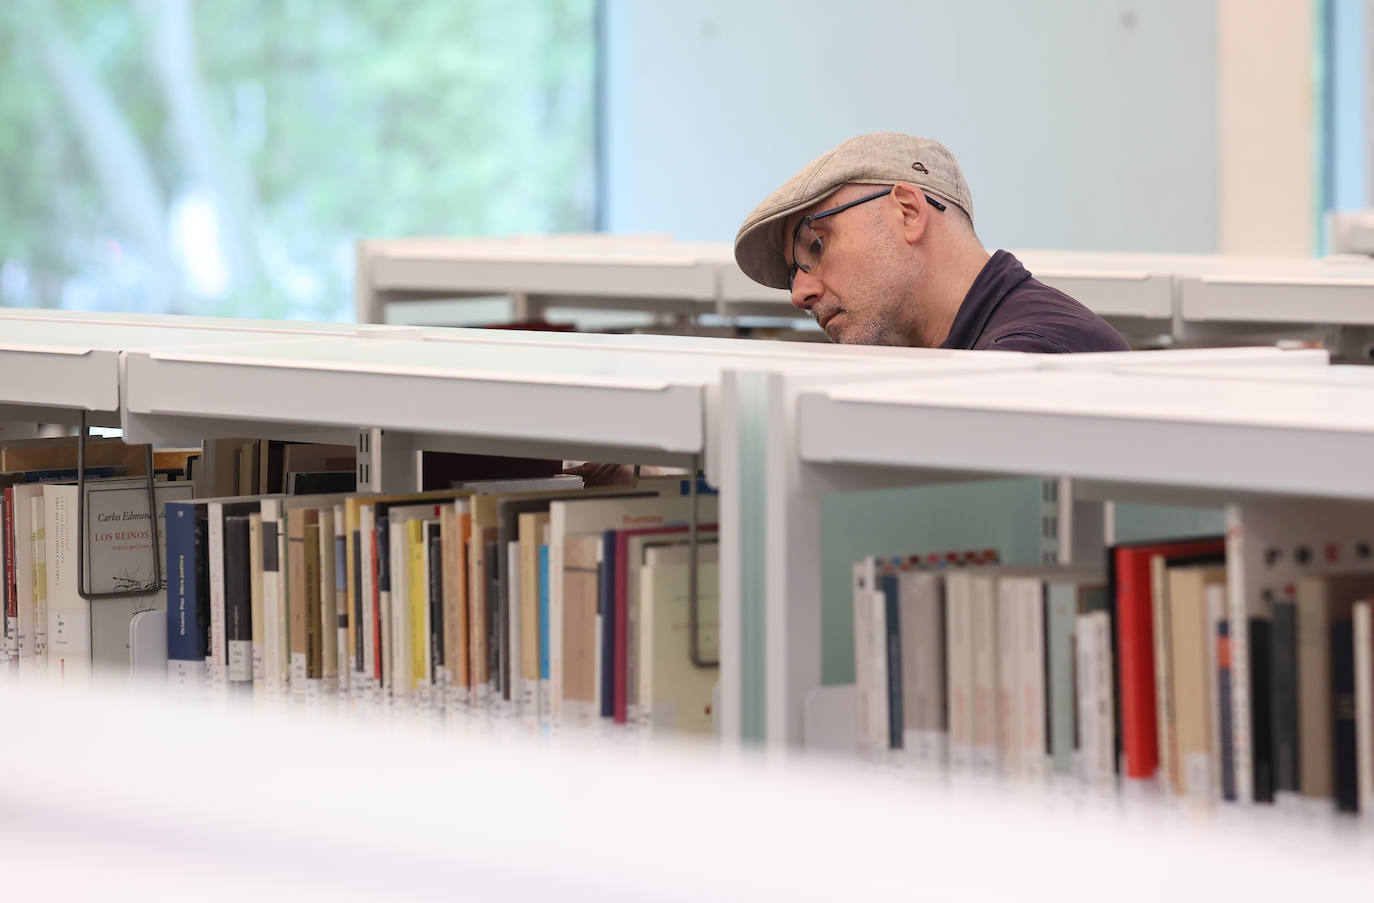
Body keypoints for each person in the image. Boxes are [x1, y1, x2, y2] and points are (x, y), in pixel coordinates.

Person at [733, 132, 1129, 353]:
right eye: (792, 274)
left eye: (815, 246)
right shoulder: (962, 357)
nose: (799, 294)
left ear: (908, 211)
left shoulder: (1031, 358)